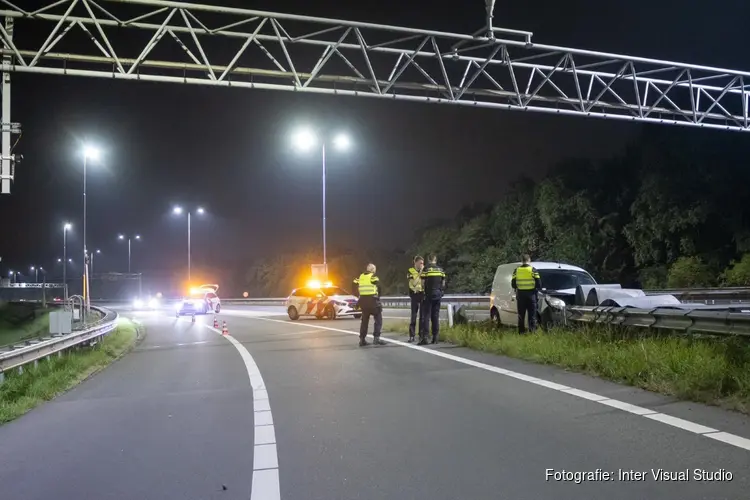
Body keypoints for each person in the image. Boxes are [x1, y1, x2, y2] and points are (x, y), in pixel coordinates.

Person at [353, 263, 386, 347]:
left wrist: (357, 294)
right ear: (372, 270)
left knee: (364, 321)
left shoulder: (360, 277)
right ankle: (376, 338)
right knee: (378, 319)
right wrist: (378, 296)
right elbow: (379, 285)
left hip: (363, 301)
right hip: (373, 301)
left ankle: (362, 339)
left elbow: (354, 283)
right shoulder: (373, 276)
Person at [511, 254, 542, 334]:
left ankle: (521, 332)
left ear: (522, 261)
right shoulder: (533, 270)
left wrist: (519, 287)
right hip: (531, 294)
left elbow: (513, 284)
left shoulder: (516, 270)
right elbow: (539, 283)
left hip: (521, 295)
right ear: (529, 260)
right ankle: (532, 331)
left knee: (521, 314)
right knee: (532, 314)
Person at [420, 254, 446, 345]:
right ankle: (435, 337)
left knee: (426, 316)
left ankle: (425, 337)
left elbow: (422, 282)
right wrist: (440, 290)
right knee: (435, 316)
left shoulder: (426, 269)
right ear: (435, 259)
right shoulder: (441, 269)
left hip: (428, 294)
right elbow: (443, 283)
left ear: (428, 260)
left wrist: (424, 291)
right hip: (438, 295)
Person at [407, 256, 425, 343]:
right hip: (414, 295)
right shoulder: (411, 271)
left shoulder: (424, 271)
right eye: (421, 263)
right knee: (413, 316)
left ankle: (421, 335)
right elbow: (413, 283)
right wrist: (420, 273)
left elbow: (424, 283)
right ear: (416, 263)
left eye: (423, 263)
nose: (422, 265)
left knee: (422, 317)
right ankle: (412, 336)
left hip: (422, 294)